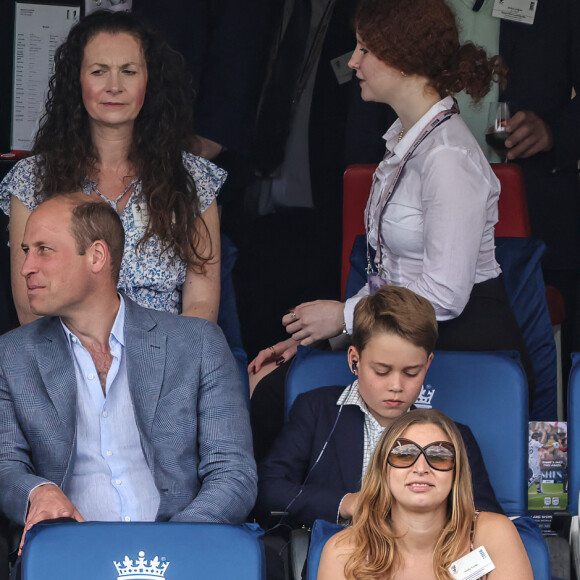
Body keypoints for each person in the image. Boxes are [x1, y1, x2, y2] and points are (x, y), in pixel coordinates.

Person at [249, 0, 533, 457]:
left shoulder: (448, 157)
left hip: (460, 343)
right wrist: (318, 337)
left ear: (402, 57)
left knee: (272, 397)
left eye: (365, 49)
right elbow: (392, 280)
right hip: (400, 332)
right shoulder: (406, 140)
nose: (354, 61)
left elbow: (443, 294)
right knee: (268, 383)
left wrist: (343, 317)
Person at [0, 195, 256, 569]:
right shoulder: (10, 356)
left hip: (184, 557)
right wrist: (38, 491)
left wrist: (172, 544)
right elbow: (5, 464)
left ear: (97, 257)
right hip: (73, 559)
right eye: (25, 250)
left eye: (43, 250)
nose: (25, 267)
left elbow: (233, 473)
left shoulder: (198, 343)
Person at [0, 10, 223, 325]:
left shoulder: (193, 178)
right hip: (65, 366)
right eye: (99, 71)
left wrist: (158, 367)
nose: (114, 86)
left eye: (129, 71)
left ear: (150, 80)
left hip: (167, 365)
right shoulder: (33, 180)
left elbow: (201, 306)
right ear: (77, 80)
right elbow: (30, 308)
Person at [255, 286, 502, 530]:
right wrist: (346, 503)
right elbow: (269, 488)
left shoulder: (454, 437)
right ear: (355, 360)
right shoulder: (317, 411)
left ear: (427, 365)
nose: (396, 386)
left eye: (411, 372)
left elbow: (487, 519)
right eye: (381, 371)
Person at [317, 409, 533, 579]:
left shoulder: (493, 534)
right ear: (383, 469)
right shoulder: (343, 552)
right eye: (404, 454)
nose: (421, 468)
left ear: (456, 471)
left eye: (439, 455)